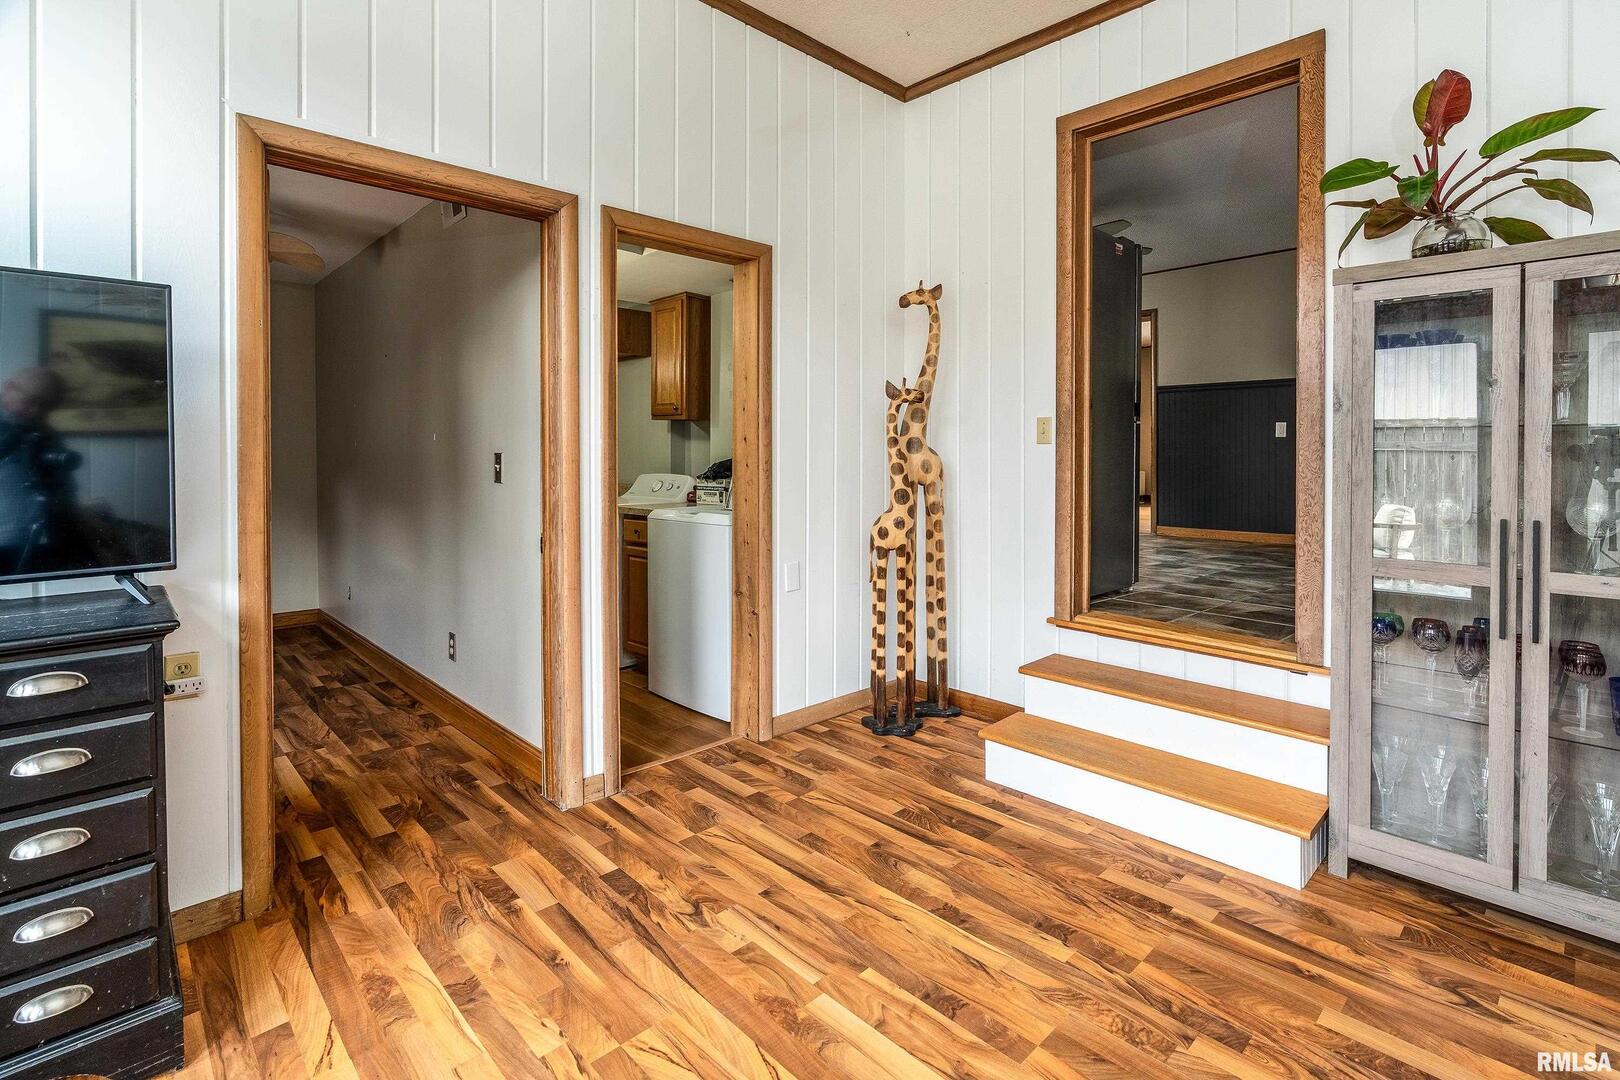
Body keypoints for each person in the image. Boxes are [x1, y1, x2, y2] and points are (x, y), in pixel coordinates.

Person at [0, 366, 85, 574]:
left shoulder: (43, 432)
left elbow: (61, 483)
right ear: (9, 388)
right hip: (5, 540)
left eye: (46, 406)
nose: (36, 411)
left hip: (44, 537)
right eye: (31, 400)